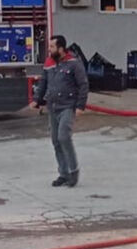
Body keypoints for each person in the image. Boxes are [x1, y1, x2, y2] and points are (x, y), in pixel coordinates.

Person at [33, 34, 89, 188]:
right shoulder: (49, 63)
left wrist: (80, 106)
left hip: (67, 107)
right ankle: (63, 174)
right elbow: (43, 82)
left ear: (61, 48)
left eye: (52, 47)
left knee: (64, 137)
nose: (49, 50)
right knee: (56, 141)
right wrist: (37, 99)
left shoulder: (74, 64)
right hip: (53, 107)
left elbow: (83, 85)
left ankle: (73, 172)